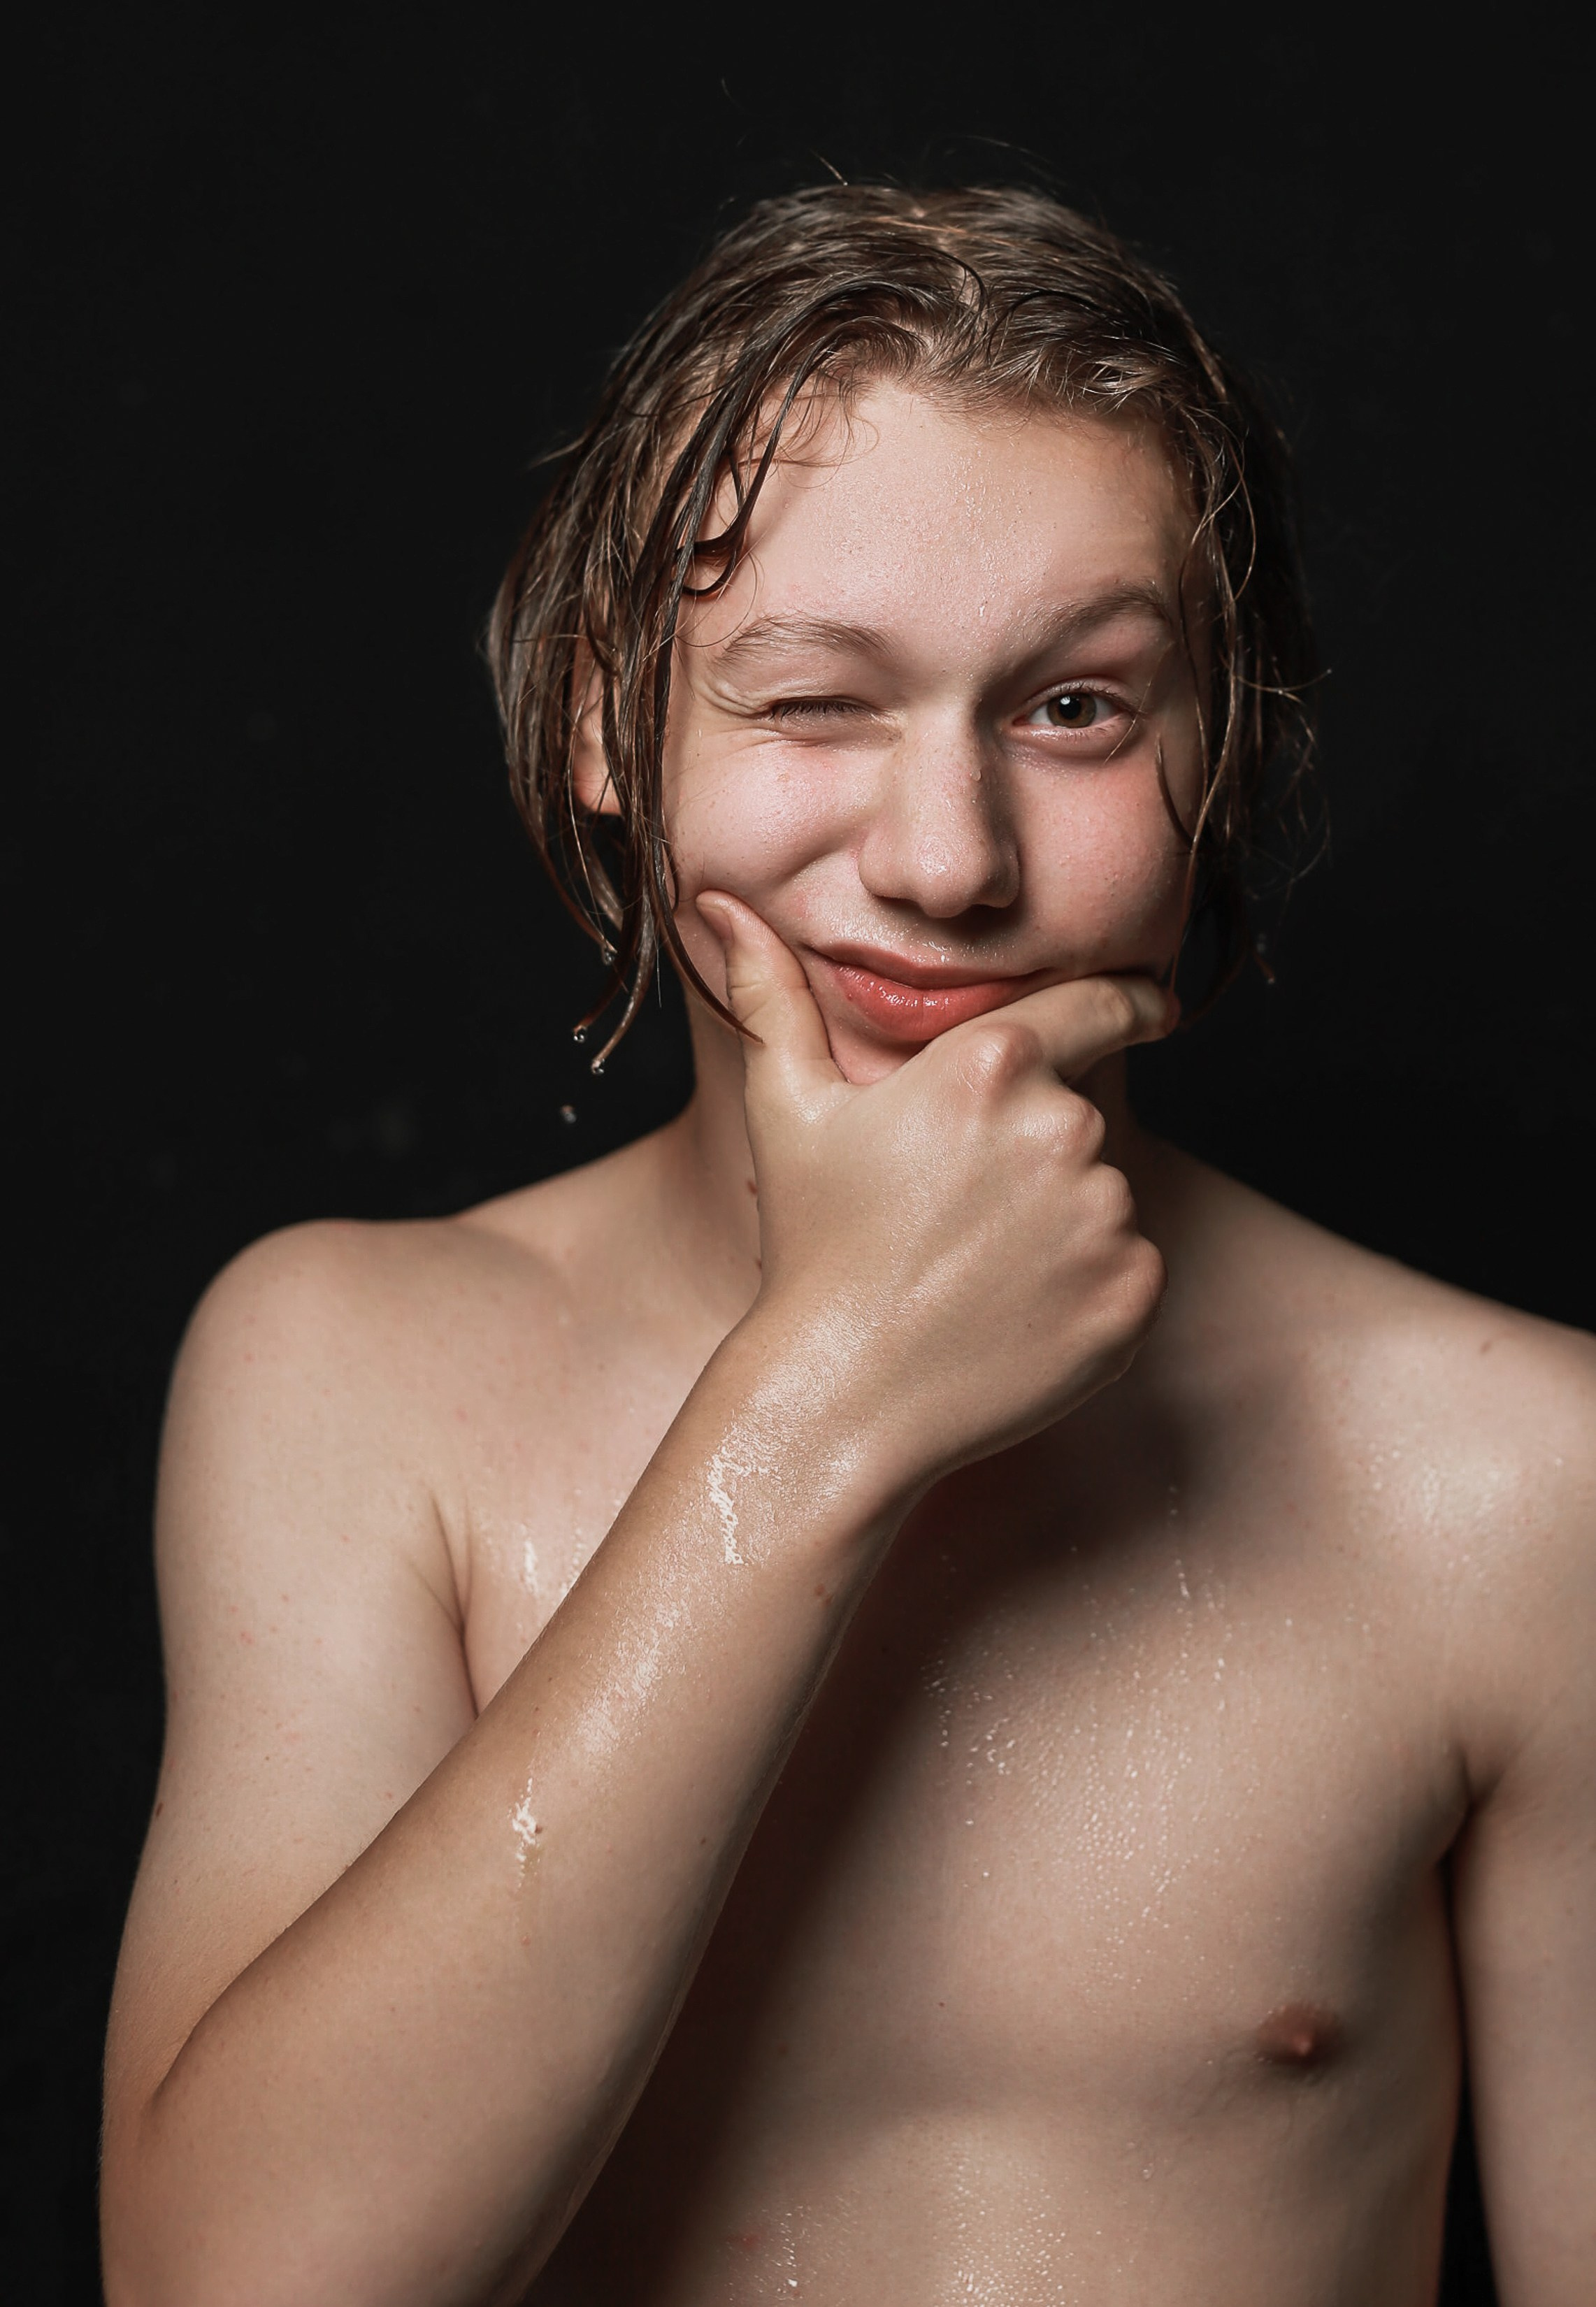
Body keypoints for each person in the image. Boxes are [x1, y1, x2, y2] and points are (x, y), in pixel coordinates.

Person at [100, 187, 1594, 2306]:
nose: (943, 858)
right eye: (814, 704)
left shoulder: (1522, 1479)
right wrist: (828, 1394)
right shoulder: (349, 1376)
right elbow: (240, 2284)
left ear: (1219, 755)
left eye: (1074, 708)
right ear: (619, 729)